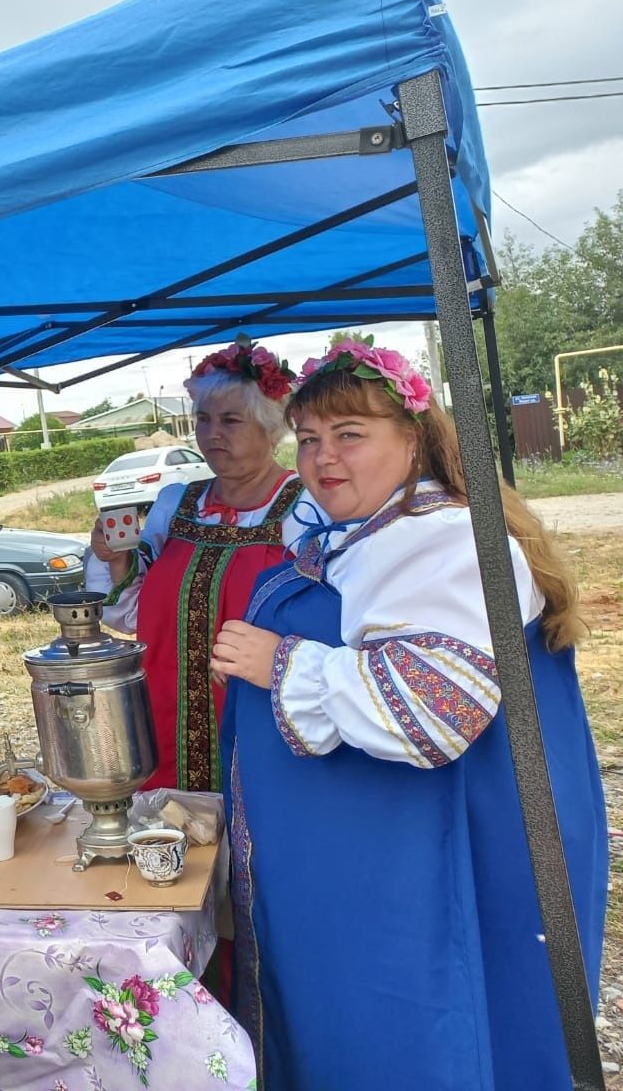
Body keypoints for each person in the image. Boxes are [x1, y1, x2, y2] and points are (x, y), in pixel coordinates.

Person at [210, 340, 607, 1089]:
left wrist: (283, 663)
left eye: (351, 435)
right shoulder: (372, 529)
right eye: (311, 439)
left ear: (414, 438)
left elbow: (434, 710)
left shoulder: (445, 542)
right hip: (382, 857)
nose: (324, 458)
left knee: (443, 1028)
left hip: (444, 856)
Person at [96, 338, 302, 792]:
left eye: (231, 421)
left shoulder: (303, 508)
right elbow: (132, 616)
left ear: (271, 430)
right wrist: (116, 560)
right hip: (165, 720)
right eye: (203, 420)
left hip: (263, 720)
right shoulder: (175, 505)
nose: (211, 434)